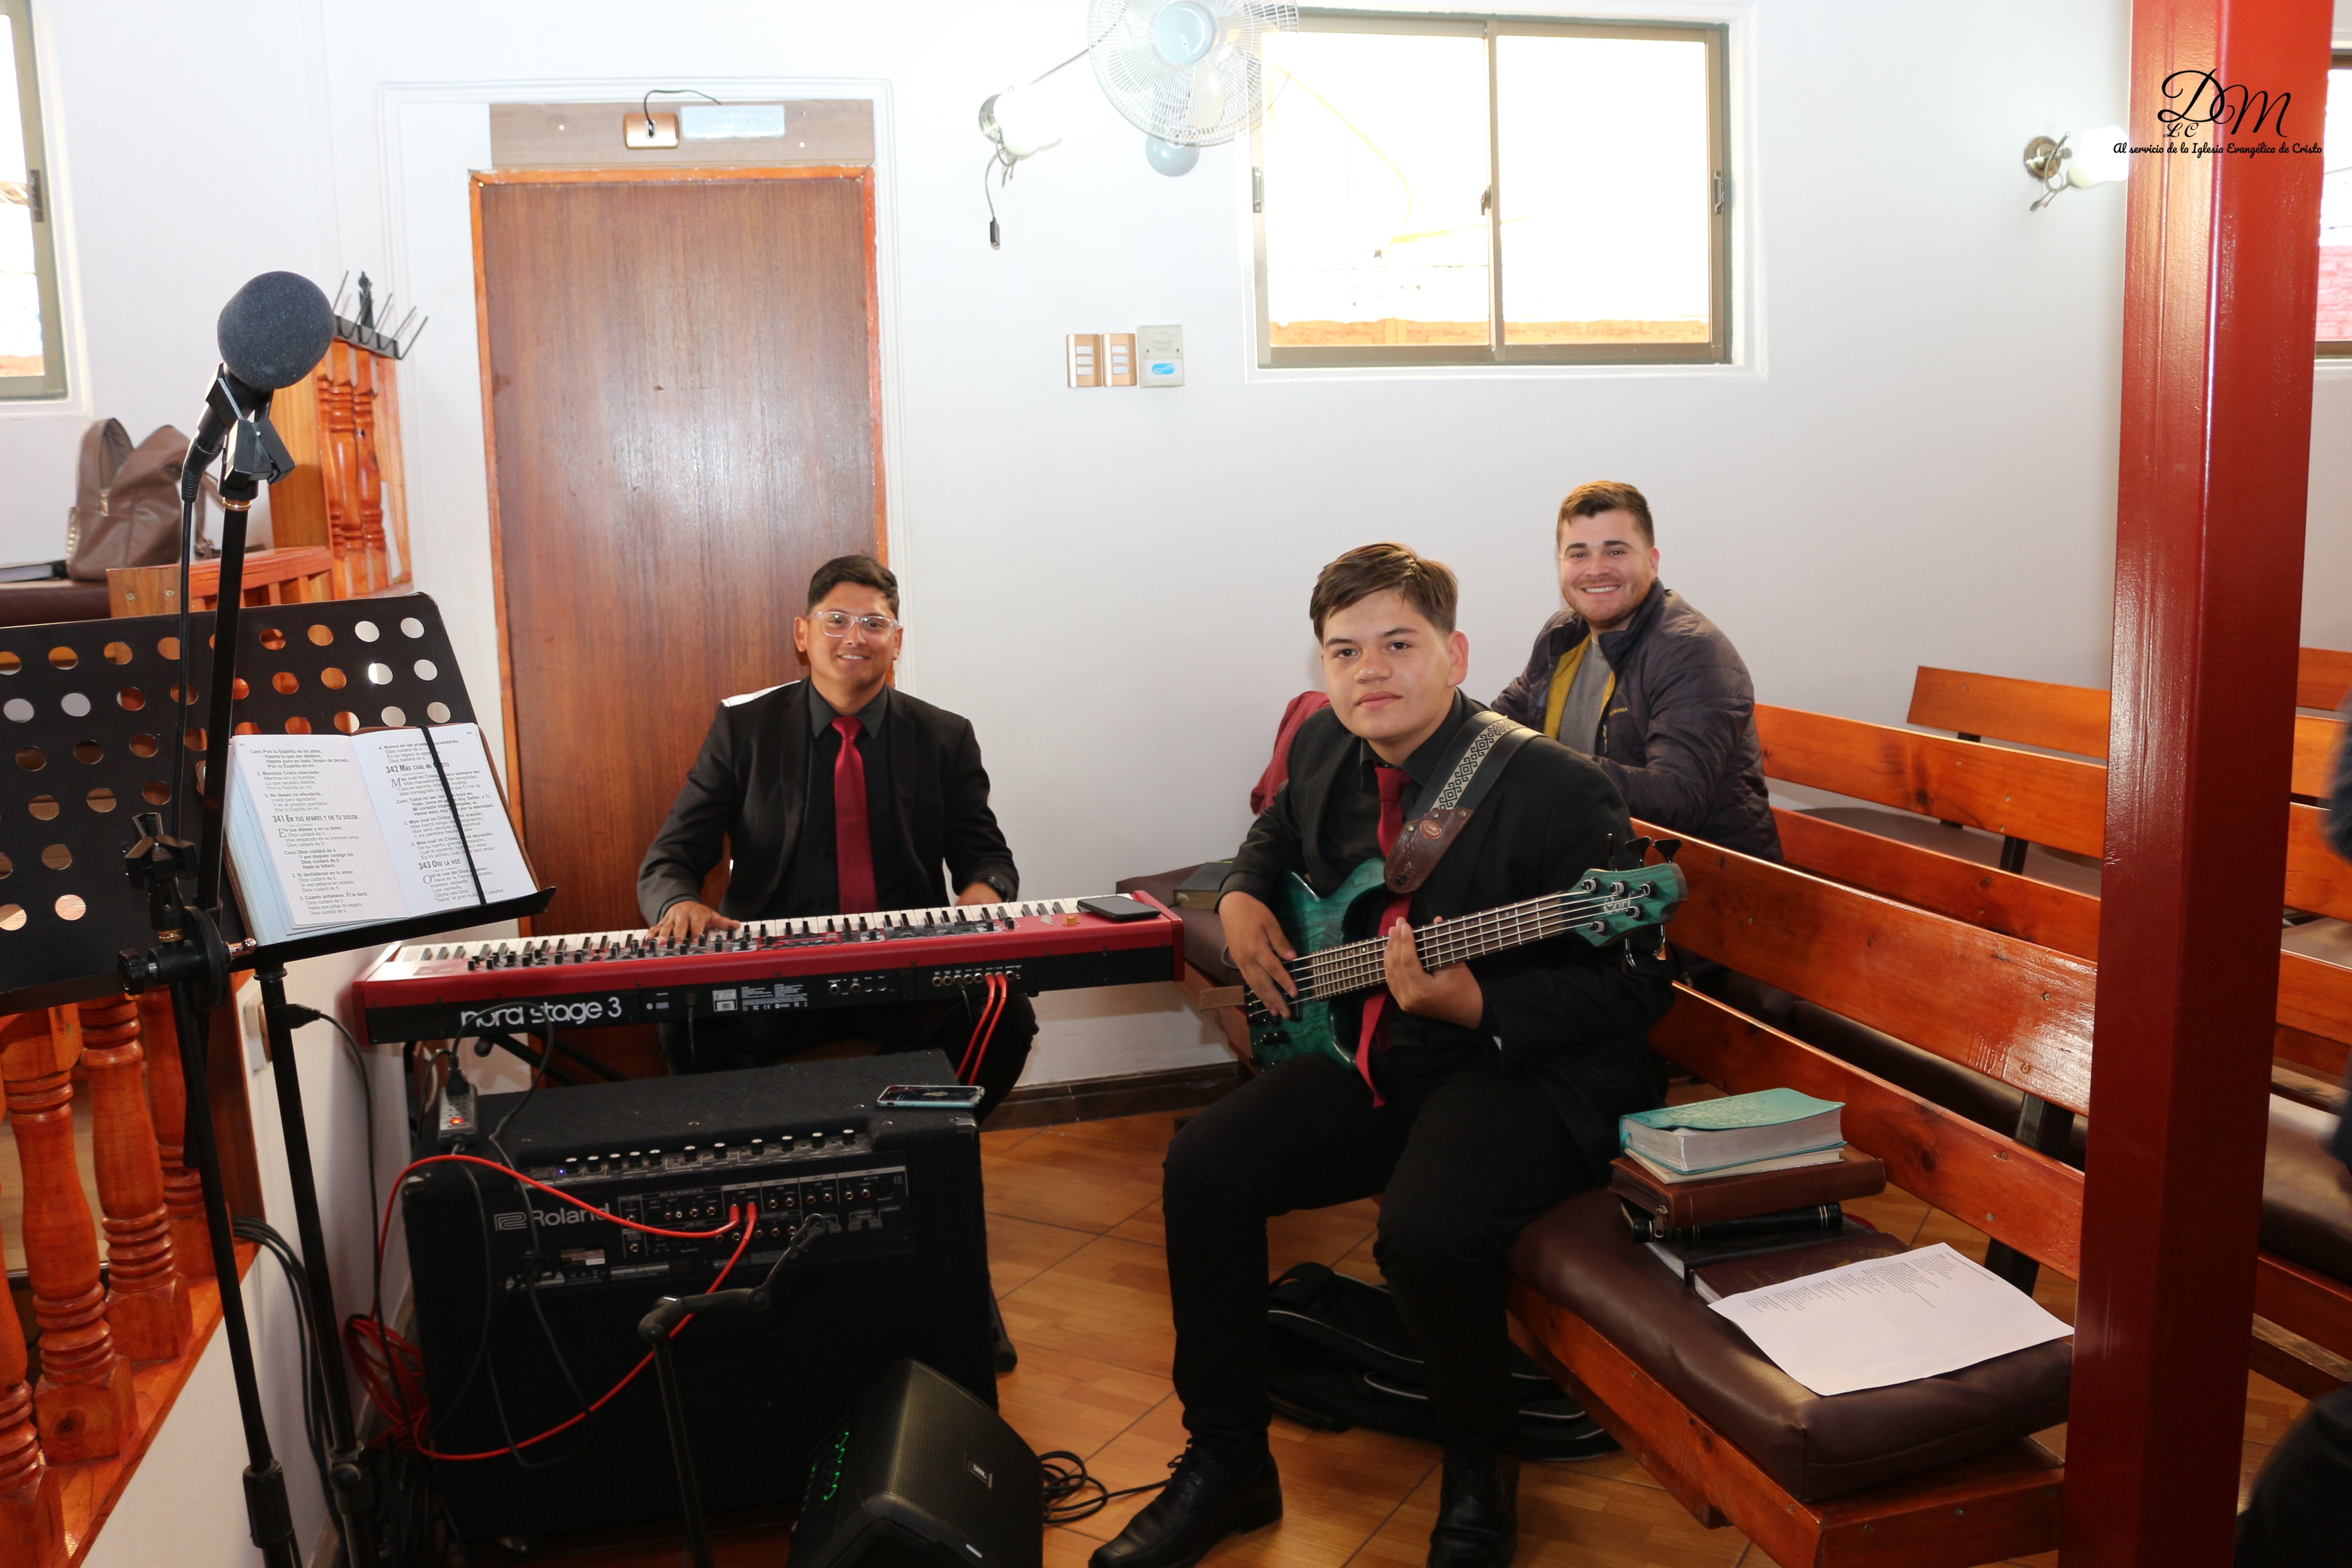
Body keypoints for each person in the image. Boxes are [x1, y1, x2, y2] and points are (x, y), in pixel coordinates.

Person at [1091, 544, 1678, 1568]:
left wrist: (1480, 1002)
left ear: (1455, 654)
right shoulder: (1327, 744)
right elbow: (1272, 837)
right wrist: (1240, 895)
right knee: (1204, 1167)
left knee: (1424, 1232)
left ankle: (1480, 1475)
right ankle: (1228, 1460)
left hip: (1522, 1070)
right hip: (1375, 1050)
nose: (1370, 671)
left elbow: (1637, 987)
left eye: (1398, 644)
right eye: (1344, 651)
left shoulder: (1556, 788)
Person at [636, 554, 1034, 1115]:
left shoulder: (944, 736)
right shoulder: (745, 730)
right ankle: (775, 1152)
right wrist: (678, 904)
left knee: (1006, 1013)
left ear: (897, 642)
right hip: (773, 970)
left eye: (874, 623)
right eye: (836, 621)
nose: (855, 637)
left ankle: (909, 1137)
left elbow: (986, 858)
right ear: (803, 634)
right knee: (688, 1020)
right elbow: (671, 857)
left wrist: (979, 900)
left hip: (906, 970)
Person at [1494, 480, 1780, 862]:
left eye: (1615, 551)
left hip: (1700, 877)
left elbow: (1678, 799)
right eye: (1578, 554)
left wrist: (1548, 766)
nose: (1596, 570)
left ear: (1652, 561)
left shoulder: (1693, 652)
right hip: (1600, 857)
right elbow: (1500, 725)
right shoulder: (1562, 635)